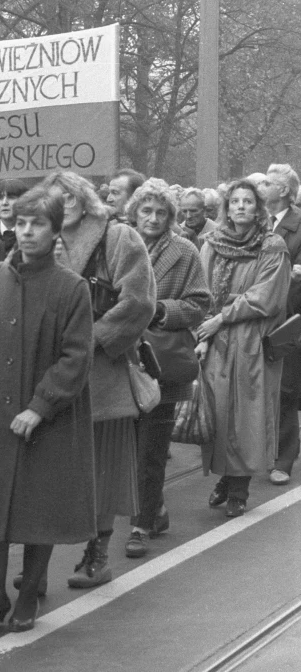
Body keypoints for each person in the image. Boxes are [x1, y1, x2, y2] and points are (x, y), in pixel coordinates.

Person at [0, 186, 95, 634]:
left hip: (47, 422)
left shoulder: (71, 287)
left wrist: (40, 407)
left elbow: (76, 358)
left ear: (56, 231)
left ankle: (28, 594)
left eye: (38, 224)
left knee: (39, 512)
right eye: (20, 223)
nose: (27, 232)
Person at [42, 170, 155, 589]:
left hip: (103, 370)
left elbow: (139, 301)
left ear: (86, 197)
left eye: (72, 195)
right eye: (56, 197)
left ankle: (97, 554)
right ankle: (38, 563)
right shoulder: (42, 238)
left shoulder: (118, 237)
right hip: (51, 372)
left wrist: (91, 340)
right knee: (51, 469)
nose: (65, 202)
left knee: (103, 469)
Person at [122, 180, 211, 559]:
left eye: (161, 212)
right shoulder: (117, 244)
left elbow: (199, 303)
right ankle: (153, 508)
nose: (154, 218)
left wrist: (161, 310)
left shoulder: (185, 251)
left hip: (161, 361)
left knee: (152, 449)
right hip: (120, 359)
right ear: (134, 213)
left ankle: (140, 524)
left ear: (171, 216)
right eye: (146, 211)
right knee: (125, 446)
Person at [197, 179, 290, 517]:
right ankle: (226, 477)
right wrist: (206, 332)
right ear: (226, 208)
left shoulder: (272, 245)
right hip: (216, 339)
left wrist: (225, 314)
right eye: (234, 201)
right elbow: (202, 291)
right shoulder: (211, 244)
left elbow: (266, 297)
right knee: (219, 415)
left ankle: (239, 488)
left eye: (248, 201)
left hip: (251, 340)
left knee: (247, 416)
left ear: (258, 207)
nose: (240, 207)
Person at [261, 164, 301, 486]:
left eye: (269, 182)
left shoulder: (299, 223)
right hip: (254, 316)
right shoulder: (256, 221)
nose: (261, 185)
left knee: (285, 387)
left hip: (288, 317)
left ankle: (284, 458)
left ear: (285, 190)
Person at [0, 179, 30, 258]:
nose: (4, 203)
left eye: (11, 197)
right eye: (0, 198)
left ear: (24, 200)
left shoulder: (31, 231)